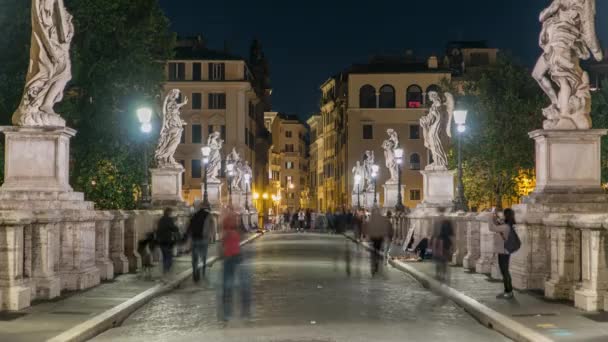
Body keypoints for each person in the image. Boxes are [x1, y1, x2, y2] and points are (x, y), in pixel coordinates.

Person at [221, 206, 250, 321]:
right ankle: (243, 312)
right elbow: (242, 236)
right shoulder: (235, 229)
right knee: (241, 285)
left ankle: (227, 313)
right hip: (235, 256)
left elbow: (223, 243)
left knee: (228, 286)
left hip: (230, 257)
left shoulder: (227, 229)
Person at [490, 208, 516, 299]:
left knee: (505, 271)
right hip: (503, 251)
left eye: (503, 214)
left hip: (504, 252)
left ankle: (509, 292)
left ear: (506, 216)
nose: (502, 216)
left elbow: (492, 228)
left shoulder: (506, 227)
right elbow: (497, 224)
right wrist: (495, 217)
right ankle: (507, 291)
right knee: (504, 271)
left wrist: (490, 216)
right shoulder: (506, 225)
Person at [185, 204, 215, 282]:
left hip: (195, 239)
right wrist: (211, 236)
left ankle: (195, 272)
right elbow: (213, 227)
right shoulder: (209, 215)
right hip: (204, 239)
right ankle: (203, 272)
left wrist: (188, 237)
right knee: (203, 256)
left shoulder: (194, 215)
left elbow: (188, 226)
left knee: (195, 258)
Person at [364, 208, 391, 276]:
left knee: (374, 253)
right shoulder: (379, 220)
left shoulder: (373, 220)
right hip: (377, 239)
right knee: (375, 253)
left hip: (377, 239)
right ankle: (375, 265)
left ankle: (374, 265)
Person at [156, 208, 180, 275]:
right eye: (171, 212)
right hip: (167, 241)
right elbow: (174, 228)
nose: (171, 213)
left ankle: (165, 270)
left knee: (164, 256)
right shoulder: (169, 220)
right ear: (169, 213)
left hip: (161, 241)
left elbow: (158, 230)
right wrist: (177, 227)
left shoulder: (161, 220)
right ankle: (167, 270)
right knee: (169, 256)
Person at [432, 219, 454, 283]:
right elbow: (451, 233)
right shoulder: (447, 221)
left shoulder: (438, 221)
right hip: (445, 242)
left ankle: (439, 274)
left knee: (439, 258)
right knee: (442, 259)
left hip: (440, 242)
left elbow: (435, 233)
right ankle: (442, 274)